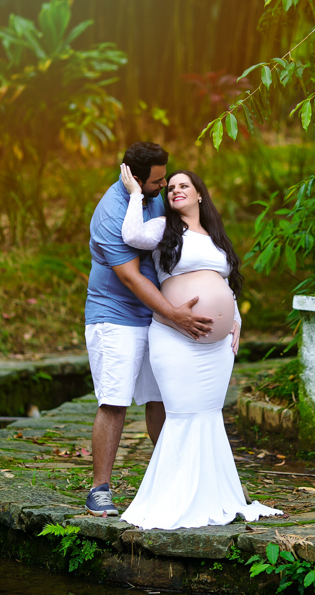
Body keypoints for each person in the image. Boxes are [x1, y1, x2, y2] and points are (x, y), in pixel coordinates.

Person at [118, 164, 286, 529]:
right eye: (171, 187)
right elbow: (130, 234)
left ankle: (215, 495)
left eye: (184, 185)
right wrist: (135, 195)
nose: (176, 189)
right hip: (174, 337)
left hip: (217, 348)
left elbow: (224, 282)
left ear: (198, 194)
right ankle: (173, 498)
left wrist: (234, 317)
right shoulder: (164, 228)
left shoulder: (215, 236)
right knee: (182, 413)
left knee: (209, 415)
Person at [84, 143, 214, 518]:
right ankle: (99, 490)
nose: (164, 185)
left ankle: (173, 481)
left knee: (161, 397)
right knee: (115, 400)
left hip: (155, 317)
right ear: (136, 178)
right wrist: (174, 314)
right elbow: (130, 277)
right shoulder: (110, 212)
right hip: (115, 317)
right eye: (157, 180)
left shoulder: (157, 198)